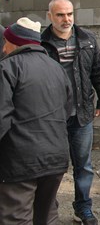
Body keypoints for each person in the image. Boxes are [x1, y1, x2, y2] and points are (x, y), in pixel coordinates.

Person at [41, 0, 100, 225]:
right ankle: (50, 207)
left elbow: (98, 72)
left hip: (82, 113)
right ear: (50, 16)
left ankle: (83, 208)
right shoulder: (41, 43)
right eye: (60, 15)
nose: (66, 19)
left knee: (84, 165)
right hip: (53, 117)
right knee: (53, 165)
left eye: (70, 14)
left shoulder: (86, 39)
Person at [0, 17, 72, 224]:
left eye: (6, 42)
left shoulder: (8, 68)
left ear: (15, 42)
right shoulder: (56, 68)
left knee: (16, 217)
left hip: (20, 161)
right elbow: (66, 111)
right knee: (47, 214)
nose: (4, 48)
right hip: (56, 157)